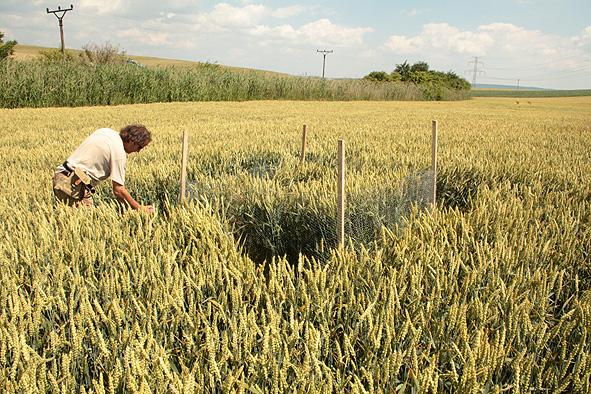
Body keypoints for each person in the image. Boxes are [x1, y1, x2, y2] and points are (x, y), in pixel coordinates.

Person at [52, 124, 154, 213]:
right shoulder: (119, 153)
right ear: (133, 141)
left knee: (70, 221)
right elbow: (118, 190)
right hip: (74, 185)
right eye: (139, 147)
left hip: (61, 176)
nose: (138, 151)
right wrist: (139, 208)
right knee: (86, 226)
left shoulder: (106, 131)